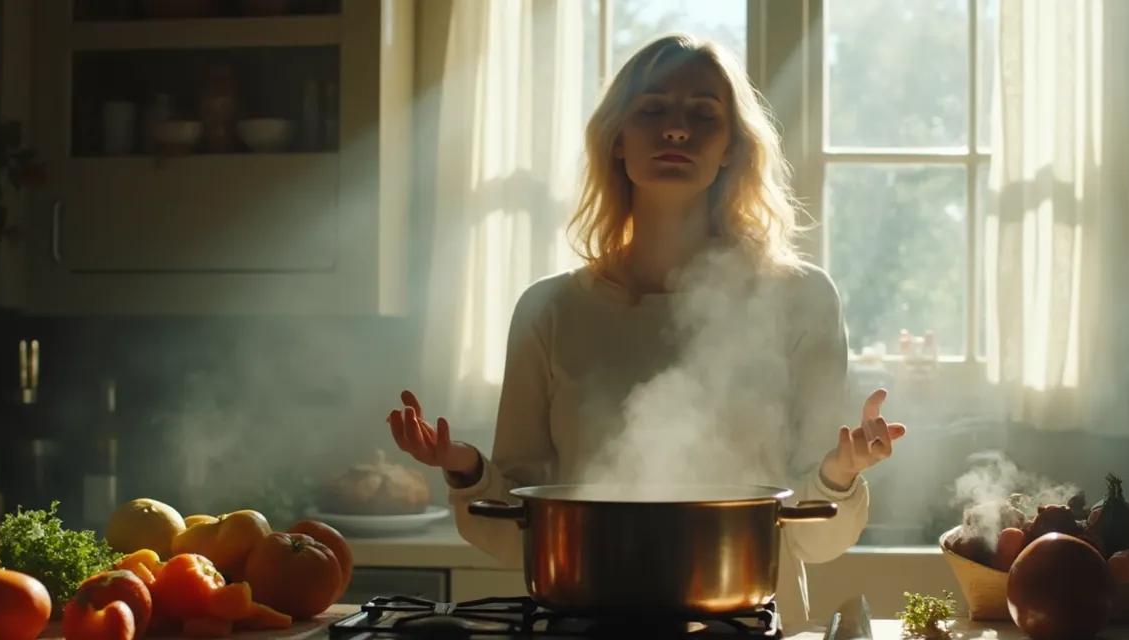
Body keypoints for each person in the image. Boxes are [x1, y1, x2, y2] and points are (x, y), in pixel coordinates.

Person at [387, 33, 907, 622]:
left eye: (703, 114)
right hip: (586, 621)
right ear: (617, 141)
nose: (677, 129)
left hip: (748, 620)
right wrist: (465, 469)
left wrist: (843, 472)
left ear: (732, 149)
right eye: (653, 109)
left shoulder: (802, 299)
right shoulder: (549, 310)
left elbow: (816, 540)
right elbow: (516, 534)